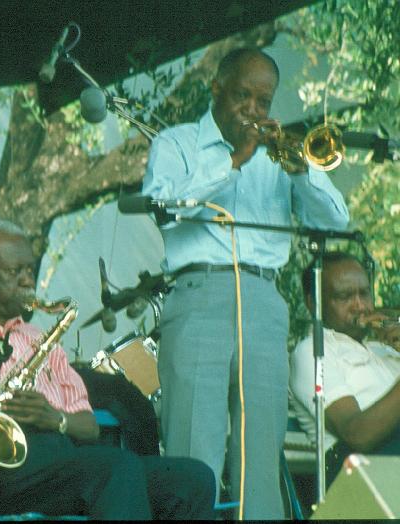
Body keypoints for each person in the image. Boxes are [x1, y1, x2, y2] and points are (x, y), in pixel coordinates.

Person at [142, 47, 349, 518]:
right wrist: (235, 159)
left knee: (261, 445)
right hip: (198, 294)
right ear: (216, 87)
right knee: (195, 444)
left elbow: (337, 224)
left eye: (263, 101)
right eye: (243, 96)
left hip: (263, 299)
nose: (254, 111)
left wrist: (303, 174)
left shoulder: (283, 153)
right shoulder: (176, 144)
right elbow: (167, 207)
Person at [0, 219, 215, 519]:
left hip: (60, 462)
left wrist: (55, 418)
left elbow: (89, 427)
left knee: (193, 480)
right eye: (15, 271)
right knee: (115, 469)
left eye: (30, 270)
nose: (27, 280)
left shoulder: (38, 338)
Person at [289, 253, 399, 484]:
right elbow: (357, 434)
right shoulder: (313, 350)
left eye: (364, 293)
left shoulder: (382, 347)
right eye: (344, 296)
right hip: (357, 473)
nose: (360, 305)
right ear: (314, 303)